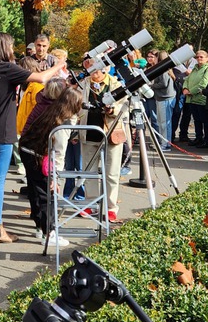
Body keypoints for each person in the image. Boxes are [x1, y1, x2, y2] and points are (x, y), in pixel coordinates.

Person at [0, 33, 64, 244]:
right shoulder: (6, 68)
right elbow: (41, 78)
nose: (13, 49)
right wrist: (59, 65)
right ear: (5, 47)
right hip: (1, 131)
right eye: (11, 45)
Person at [18, 82, 82, 248]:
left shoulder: (47, 107)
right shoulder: (62, 120)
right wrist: (56, 177)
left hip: (27, 149)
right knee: (48, 193)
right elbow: (59, 152)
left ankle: (40, 225)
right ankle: (49, 232)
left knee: (35, 190)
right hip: (38, 155)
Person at [79, 62, 129, 223]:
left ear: (105, 69)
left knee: (112, 173)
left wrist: (111, 109)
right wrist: (73, 130)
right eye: (91, 69)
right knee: (89, 171)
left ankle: (110, 207)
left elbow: (123, 107)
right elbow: (75, 106)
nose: (94, 73)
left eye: (97, 69)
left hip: (111, 133)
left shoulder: (115, 84)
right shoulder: (83, 83)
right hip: (88, 132)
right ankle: (91, 203)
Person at [183, 50, 208, 148]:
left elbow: (203, 83)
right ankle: (198, 137)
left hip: (201, 98)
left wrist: (191, 91)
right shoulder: (195, 68)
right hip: (192, 99)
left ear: (207, 58)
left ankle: (207, 140)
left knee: (205, 120)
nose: (199, 59)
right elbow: (187, 79)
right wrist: (185, 88)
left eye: (201, 57)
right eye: (197, 57)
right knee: (196, 120)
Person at [150, 50, 178, 151]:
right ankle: (162, 142)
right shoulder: (164, 69)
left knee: (164, 123)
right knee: (161, 122)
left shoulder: (163, 70)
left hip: (165, 98)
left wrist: (151, 85)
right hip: (161, 98)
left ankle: (166, 144)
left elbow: (164, 84)